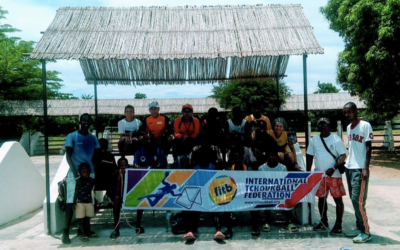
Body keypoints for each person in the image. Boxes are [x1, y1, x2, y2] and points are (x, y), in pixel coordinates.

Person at [62, 113, 100, 244]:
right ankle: (65, 232)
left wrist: (94, 174)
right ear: (80, 121)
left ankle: (84, 229)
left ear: (90, 123)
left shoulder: (93, 138)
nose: (86, 123)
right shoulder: (71, 136)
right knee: (71, 202)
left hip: (90, 174)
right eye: (83, 120)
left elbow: (96, 157)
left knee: (87, 201)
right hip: (75, 174)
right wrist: (75, 174)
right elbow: (68, 156)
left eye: (88, 121)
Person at [306, 118, 347, 235]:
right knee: (321, 199)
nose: (322, 127)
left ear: (329, 126)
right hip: (320, 175)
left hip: (334, 176)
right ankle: (324, 221)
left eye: (325, 125)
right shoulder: (314, 140)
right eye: (320, 125)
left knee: (337, 200)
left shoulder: (336, 139)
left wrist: (333, 168)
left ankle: (338, 224)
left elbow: (343, 156)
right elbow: (309, 155)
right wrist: (308, 172)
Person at [342, 102, 373, 243]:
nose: (347, 114)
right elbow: (352, 148)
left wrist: (365, 168)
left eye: (349, 111)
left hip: (360, 168)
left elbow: (368, 148)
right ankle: (359, 228)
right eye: (345, 112)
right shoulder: (348, 128)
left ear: (355, 111)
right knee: (354, 201)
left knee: (358, 201)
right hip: (350, 167)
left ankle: (366, 232)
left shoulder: (365, 126)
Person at [258, 149, 298, 233]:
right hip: (268, 192)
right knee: (265, 197)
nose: (271, 157)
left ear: (276, 157)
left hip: (280, 192)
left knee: (289, 196)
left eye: (273, 155)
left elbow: (284, 182)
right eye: (269, 155)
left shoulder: (282, 168)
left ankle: (288, 222)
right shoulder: (261, 168)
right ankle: (267, 222)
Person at [223, 146, 259, 238]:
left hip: (245, 195)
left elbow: (254, 183)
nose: (237, 159)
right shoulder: (229, 169)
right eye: (235, 158)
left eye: (239, 158)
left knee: (255, 200)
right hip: (233, 195)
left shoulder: (248, 168)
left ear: (242, 158)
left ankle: (255, 227)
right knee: (225, 202)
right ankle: (229, 229)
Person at [110, 157, 147, 238]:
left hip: (131, 196)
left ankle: (138, 225)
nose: (123, 167)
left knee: (140, 200)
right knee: (116, 202)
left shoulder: (132, 172)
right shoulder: (115, 174)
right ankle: (116, 229)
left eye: (125, 165)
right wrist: (119, 177)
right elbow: (116, 191)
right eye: (121, 165)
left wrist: (138, 170)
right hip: (120, 196)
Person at [74, 163, 97, 242]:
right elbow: (76, 192)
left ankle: (88, 231)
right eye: (84, 172)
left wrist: (95, 200)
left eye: (87, 172)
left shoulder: (92, 180)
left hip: (89, 201)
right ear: (80, 172)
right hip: (80, 202)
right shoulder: (79, 181)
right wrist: (74, 202)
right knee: (81, 219)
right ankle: (82, 233)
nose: (86, 173)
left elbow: (94, 191)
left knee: (87, 218)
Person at [93, 138, 118, 205]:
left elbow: (115, 167)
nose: (103, 146)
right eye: (101, 144)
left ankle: (109, 197)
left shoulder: (110, 155)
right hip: (98, 179)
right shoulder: (94, 155)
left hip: (107, 179)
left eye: (104, 144)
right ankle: (97, 199)